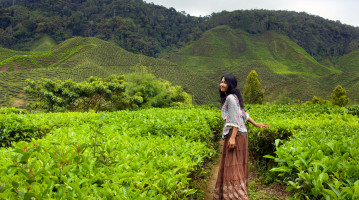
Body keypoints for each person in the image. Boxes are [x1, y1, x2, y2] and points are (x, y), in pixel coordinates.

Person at [213, 74, 268, 200]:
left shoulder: (230, 99)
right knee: (236, 166)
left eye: (225, 82)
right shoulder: (234, 97)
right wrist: (256, 124)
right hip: (241, 135)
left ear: (230, 84)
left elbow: (234, 119)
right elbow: (243, 114)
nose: (221, 84)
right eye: (221, 81)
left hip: (236, 135)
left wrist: (232, 138)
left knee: (232, 167)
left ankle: (237, 196)